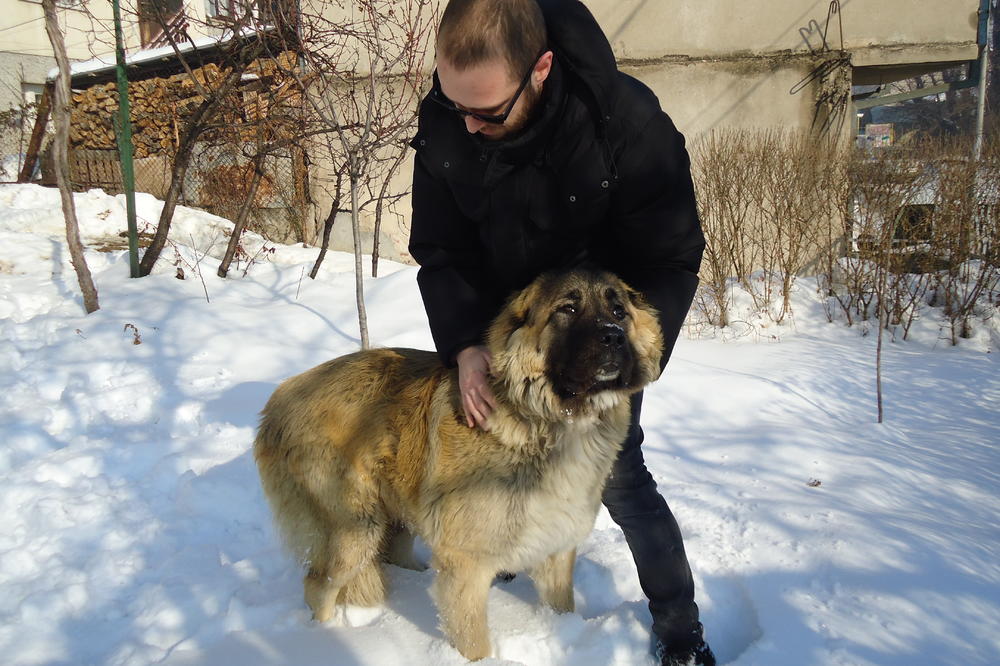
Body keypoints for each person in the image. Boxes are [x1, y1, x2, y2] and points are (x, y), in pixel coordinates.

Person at [407, 1, 714, 664]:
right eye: (452, 102)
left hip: (598, 337)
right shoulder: (449, 116)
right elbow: (440, 249)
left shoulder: (625, 122)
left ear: (541, 69)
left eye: (487, 112)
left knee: (620, 478)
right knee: (493, 467)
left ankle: (680, 627)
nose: (467, 124)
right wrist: (463, 341)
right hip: (510, 340)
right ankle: (509, 556)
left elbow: (672, 253)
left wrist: (633, 351)